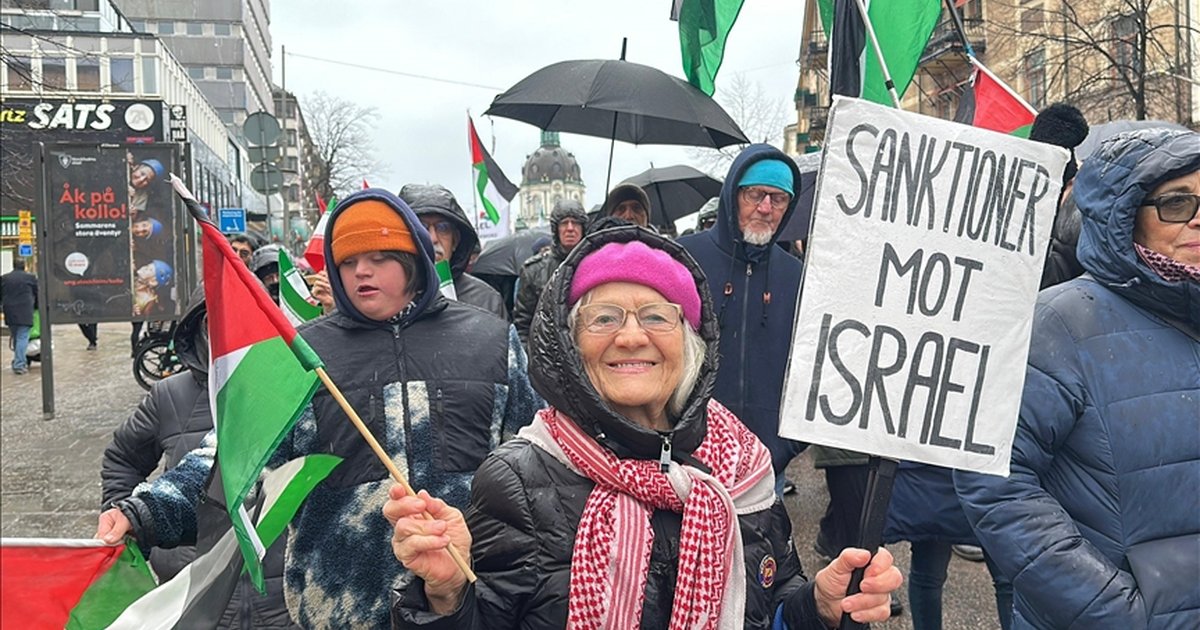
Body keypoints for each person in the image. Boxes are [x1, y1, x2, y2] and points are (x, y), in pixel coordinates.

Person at [385, 226, 903, 628]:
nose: (632, 337)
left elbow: (772, 605)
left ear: (690, 341)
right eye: (604, 318)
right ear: (570, 346)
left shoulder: (744, 466)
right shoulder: (518, 480)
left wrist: (820, 607)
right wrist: (448, 594)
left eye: (657, 317)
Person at [97, 189, 543, 628]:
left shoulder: (489, 341)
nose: (361, 272)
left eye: (379, 257)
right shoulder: (302, 354)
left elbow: (529, 466)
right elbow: (230, 458)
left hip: (466, 600)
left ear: (415, 260)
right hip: (341, 607)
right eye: (347, 261)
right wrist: (143, 513)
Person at [955, 128, 1200, 628]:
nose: (1198, 219)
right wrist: (1114, 610)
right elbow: (995, 481)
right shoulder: (1058, 323)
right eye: (1177, 203)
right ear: (1125, 214)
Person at [97, 290, 299, 628]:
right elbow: (123, 458)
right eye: (217, 321)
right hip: (192, 592)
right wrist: (126, 516)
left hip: (280, 598)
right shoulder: (170, 395)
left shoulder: (293, 392)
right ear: (198, 327)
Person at [677, 144, 807, 481]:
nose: (765, 208)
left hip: (765, 466)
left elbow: (811, 373)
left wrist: (783, 447)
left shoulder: (798, 278)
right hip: (687, 459)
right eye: (755, 194)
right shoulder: (685, 260)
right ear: (733, 195)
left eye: (778, 199)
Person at [399, 183, 507, 318]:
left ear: (455, 241)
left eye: (443, 228)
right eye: (421, 227)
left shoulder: (486, 300)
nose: (432, 238)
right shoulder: (384, 297)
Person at [512, 199, 587, 346]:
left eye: (575, 223)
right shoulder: (534, 270)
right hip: (548, 355)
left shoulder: (596, 264)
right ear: (556, 229)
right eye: (564, 223)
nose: (570, 228)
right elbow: (523, 324)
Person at [1, 258, 38, 374]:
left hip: (10, 311)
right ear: (24, 266)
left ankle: (19, 360)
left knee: (17, 336)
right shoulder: (30, 278)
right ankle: (19, 364)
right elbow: (37, 293)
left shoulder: (4, 278)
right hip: (25, 311)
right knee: (22, 337)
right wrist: (36, 307)